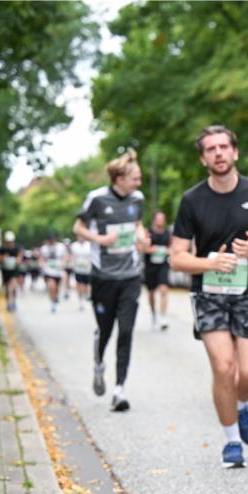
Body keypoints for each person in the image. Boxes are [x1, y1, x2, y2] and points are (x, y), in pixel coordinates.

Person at [170, 125, 248, 468]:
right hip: (209, 294)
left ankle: (240, 404)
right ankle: (232, 442)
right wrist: (209, 262)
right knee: (224, 367)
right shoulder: (192, 200)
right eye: (210, 149)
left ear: (235, 152)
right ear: (203, 158)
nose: (218, 153)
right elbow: (176, 257)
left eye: (223, 147)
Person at [73, 149, 149, 412]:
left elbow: (138, 223)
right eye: (135, 178)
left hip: (129, 275)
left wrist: (141, 236)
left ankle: (119, 390)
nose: (139, 183)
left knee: (126, 331)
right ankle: (98, 364)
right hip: (103, 276)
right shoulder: (96, 198)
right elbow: (78, 228)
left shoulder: (137, 199)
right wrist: (100, 240)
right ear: (119, 178)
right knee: (105, 330)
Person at [143, 210, 172, 331]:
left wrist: (167, 251)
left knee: (164, 290)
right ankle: (153, 314)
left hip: (163, 265)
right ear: (154, 219)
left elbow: (172, 248)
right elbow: (143, 248)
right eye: (158, 218)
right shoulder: (148, 232)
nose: (160, 221)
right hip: (150, 266)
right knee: (151, 293)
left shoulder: (167, 233)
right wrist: (152, 249)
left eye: (162, 218)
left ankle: (163, 317)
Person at [0, 230, 25, 312]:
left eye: (10, 241)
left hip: (14, 270)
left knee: (12, 286)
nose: (9, 243)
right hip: (5, 271)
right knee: (7, 288)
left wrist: (16, 260)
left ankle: (12, 302)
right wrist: (3, 258)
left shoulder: (17, 248)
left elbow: (20, 257)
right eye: (8, 241)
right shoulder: (2, 249)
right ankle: (8, 302)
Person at [40, 234, 68, 312]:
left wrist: (63, 263)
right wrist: (42, 265)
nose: (52, 242)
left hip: (58, 271)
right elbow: (41, 259)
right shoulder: (44, 248)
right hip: (48, 271)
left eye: (53, 240)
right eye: (50, 240)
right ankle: (52, 302)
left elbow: (65, 257)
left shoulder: (61, 247)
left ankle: (55, 299)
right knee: (51, 286)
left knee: (56, 288)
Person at [70, 236, 93, 310]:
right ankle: (81, 300)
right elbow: (72, 256)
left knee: (88, 286)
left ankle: (86, 296)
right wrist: (72, 265)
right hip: (78, 269)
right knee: (80, 285)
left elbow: (92, 256)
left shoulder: (89, 245)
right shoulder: (74, 245)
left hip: (88, 269)